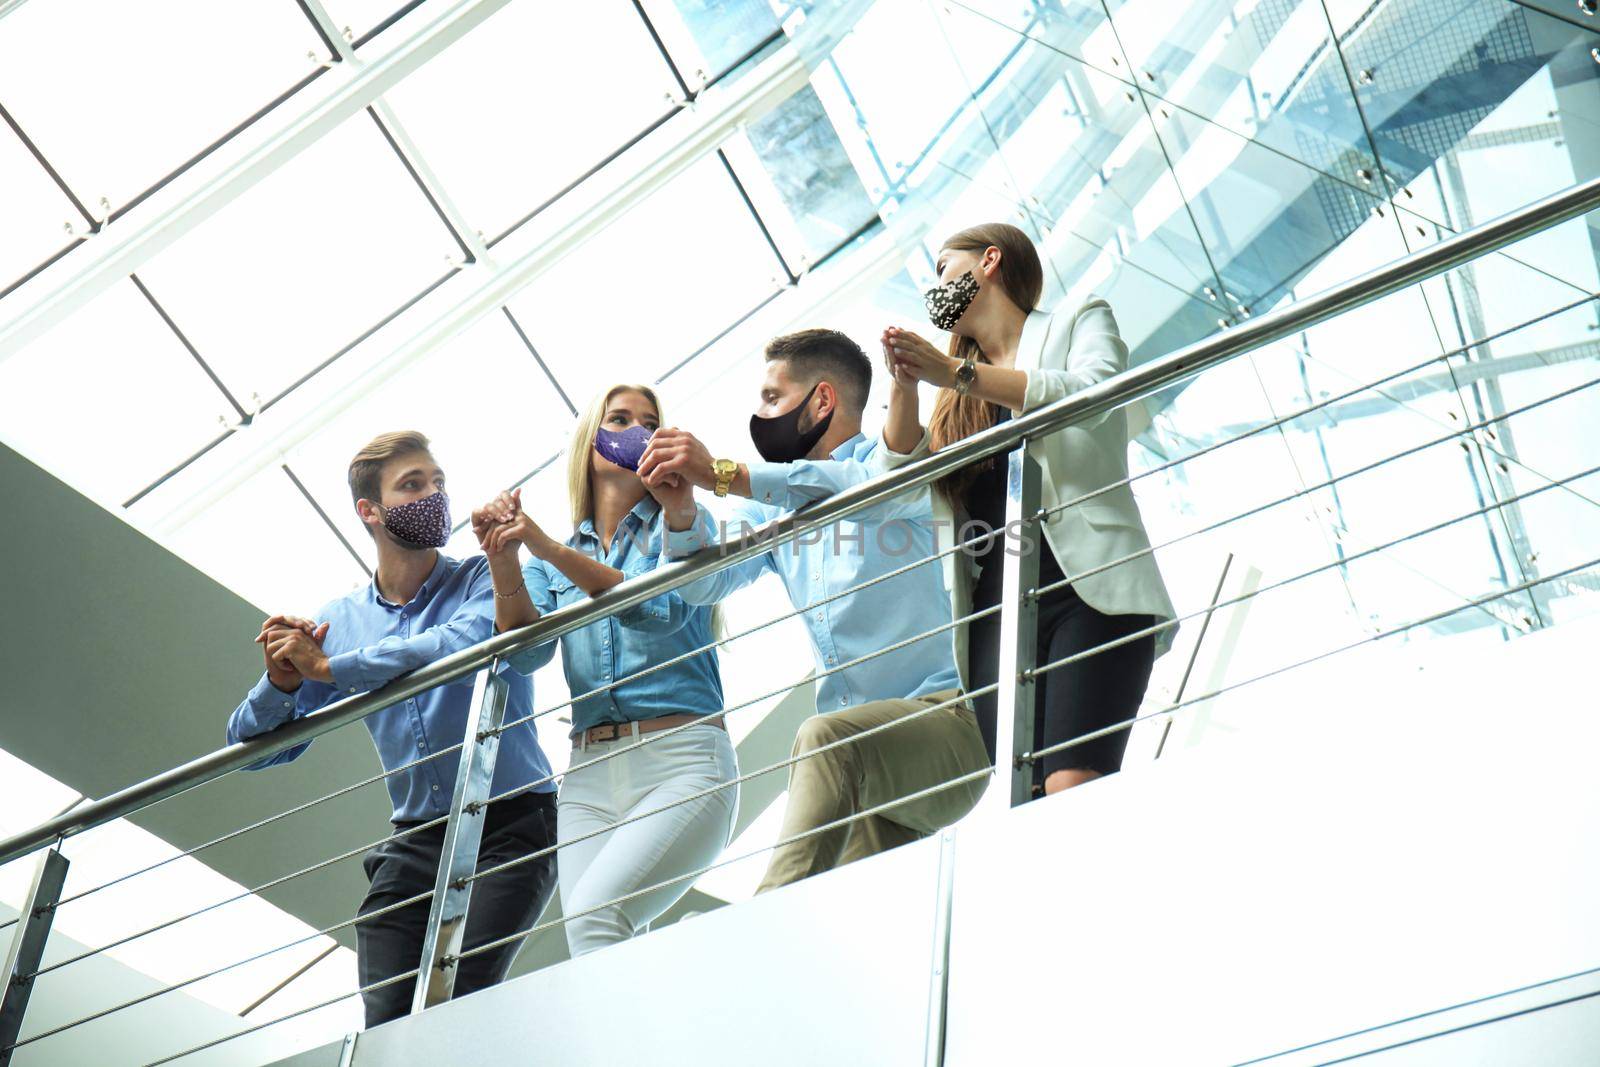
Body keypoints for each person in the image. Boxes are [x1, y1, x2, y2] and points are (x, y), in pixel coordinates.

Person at [226, 431, 559, 1028]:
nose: (434, 494)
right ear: (369, 512)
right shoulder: (340, 621)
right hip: (414, 841)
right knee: (387, 1021)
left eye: (439, 483)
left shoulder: (487, 579)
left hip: (513, 823)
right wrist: (280, 679)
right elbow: (250, 751)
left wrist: (331, 668)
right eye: (413, 485)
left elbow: (456, 644)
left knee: (463, 1000)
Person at [636, 329, 988, 894]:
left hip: (945, 726)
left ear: (822, 401)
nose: (759, 414)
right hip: (857, 774)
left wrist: (721, 473)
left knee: (826, 738)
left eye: (772, 398)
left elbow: (854, 488)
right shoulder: (772, 508)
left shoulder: (895, 466)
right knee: (847, 916)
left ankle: (759, 923)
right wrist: (681, 511)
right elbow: (707, 584)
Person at [879, 222, 1177, 796]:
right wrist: (909, 385)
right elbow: (901, 487)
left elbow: (1096, 393)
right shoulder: (952, 402)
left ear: (989, 261)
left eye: (943, 267)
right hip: (996, 605)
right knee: (1025, 799)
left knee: (1072, 783)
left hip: (1090, 586)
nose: (933, 289)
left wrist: (957, 374)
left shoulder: (1077, 320)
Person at [473, 384, 737, 957]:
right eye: (619, 420)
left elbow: (656, 609)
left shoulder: (684, 521)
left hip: (683, 760)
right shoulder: (559, 550)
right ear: (589, 444)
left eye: (649, 421)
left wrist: (544, 548)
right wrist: (504, 558)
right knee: (596, 948)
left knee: (597, 919)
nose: (636, 430)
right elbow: (526, 652)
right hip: (590, 773)